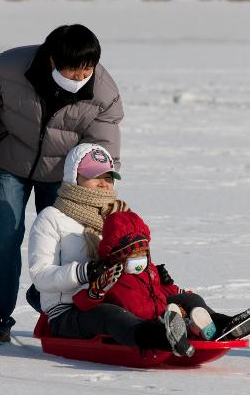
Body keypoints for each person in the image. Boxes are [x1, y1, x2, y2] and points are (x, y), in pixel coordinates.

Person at [0, 24, 123, 344]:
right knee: (8, 231)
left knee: (69, 243)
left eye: (86, 70)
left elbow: (101, 150)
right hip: (10, 163)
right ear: (51, 61)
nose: (79, 77)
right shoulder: (5, 68)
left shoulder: (103, 92)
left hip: (64, 176)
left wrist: (100, 192)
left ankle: (54, 305)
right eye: (72, 71)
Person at [28, 143, 195, 358]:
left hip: (119, 296)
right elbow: (40, 275)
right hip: (70, 311)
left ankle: (215, 327)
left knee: (186, 300)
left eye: (108, 178)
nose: (103, 184)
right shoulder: (51, 218)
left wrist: (153, 275)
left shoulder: (119, 215)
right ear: (73, 176)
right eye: (94, 176)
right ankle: (163, 338)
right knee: (111, 315)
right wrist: (85, 272)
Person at [73, 210, 250, 342]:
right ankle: (172, 334)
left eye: (143, 252)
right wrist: (97, 291)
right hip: (140, 324)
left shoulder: (150, 270)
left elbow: (159, 291)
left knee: (191, 300)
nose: (140, 258)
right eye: (134, 254)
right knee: (124, 318)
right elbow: (83, 303)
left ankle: (222, 325)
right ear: (117, 256)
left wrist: (175, 290)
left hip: (160, 313)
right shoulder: (110, 275)